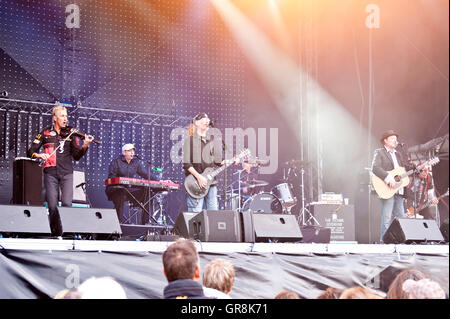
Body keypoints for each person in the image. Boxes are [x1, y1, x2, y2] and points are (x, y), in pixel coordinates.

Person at [27, 105, 94, 236]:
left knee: (67, 204)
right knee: (52, 206)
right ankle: (54, 233)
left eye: (66, 116)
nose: (65, 119)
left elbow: (77, 156)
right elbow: (31, 151)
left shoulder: (71, 133)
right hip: (50, 173)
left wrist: (85, 145)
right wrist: (39, 155)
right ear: (55, 118)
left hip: (67, 173)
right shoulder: (45, 132)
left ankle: (67, 233)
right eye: (62, 116)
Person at [371, 130, 414, 243]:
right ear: (385, 141)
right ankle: (384, 241)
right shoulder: (379, 152)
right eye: (392, 138)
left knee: (401, 218)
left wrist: (417, 168)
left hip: (398, 190)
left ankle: (401, 241)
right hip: (387, 188)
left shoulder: (399, 154)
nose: (395, 141)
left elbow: (402, 171)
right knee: (387, 217)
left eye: (396, 139)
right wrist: (388, 178)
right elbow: (375, 168)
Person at [105, 143, 160, 224]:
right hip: (115, 189)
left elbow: (145, 174)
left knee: (148, 193)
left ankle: (145, 222)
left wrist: (159, 180)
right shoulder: (116, 162)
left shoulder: (136, 163)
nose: (132, 153)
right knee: (120, 192)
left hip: (129, 189)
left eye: (133, 151)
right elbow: (111, 178)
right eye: (129, 151)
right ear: (124, 152)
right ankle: (118, 224)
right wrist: (121, 182)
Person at [182, 112, 223, 212]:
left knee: (213, 215)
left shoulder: (212, 141)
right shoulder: (189, 141)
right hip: (195, 183)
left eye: (208, 119)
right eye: (204, 119)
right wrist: (199, 177)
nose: (207, 120)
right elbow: (186, 164)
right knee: (195, 216)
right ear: (197, 123)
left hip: (211, 183)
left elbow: (219, 161)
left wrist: (233, 160)